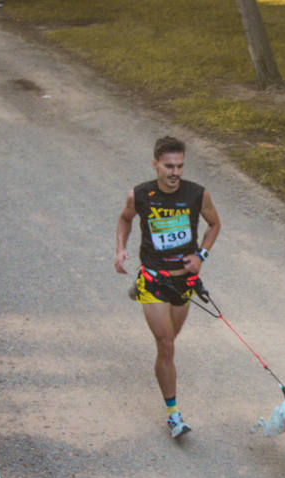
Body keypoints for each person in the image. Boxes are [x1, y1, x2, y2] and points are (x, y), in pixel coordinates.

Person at [114, 136, 221, 438]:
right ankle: (174, 414)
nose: (175, 172)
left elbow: (215, 225)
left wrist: (201, 255)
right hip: (153, 278)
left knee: (170, 342)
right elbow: (124, 220)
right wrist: (120, 250)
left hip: (183, 281)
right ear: (155, 165)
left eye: (180, 166)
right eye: (169, 166)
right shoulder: (140, 195)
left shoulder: (197, 195)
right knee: (166, 344)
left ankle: (165, 370)